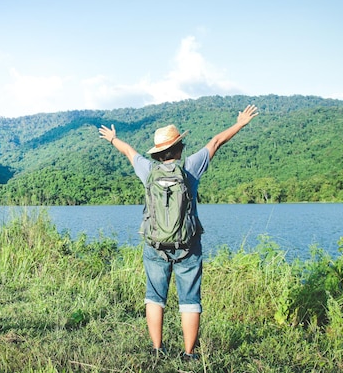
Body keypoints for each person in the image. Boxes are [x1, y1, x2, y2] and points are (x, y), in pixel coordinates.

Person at [98, 104, 259, 360]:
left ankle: (157, 349)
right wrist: (240, 123)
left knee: (154, 297)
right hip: (188, 246)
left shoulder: (148, 170)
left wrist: (113, 139)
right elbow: (216, 142)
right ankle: (189, 354)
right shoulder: (190, 168)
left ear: (158, 153)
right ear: (179, 148)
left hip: (155, 246)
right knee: (190, 300)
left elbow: (128, 151)